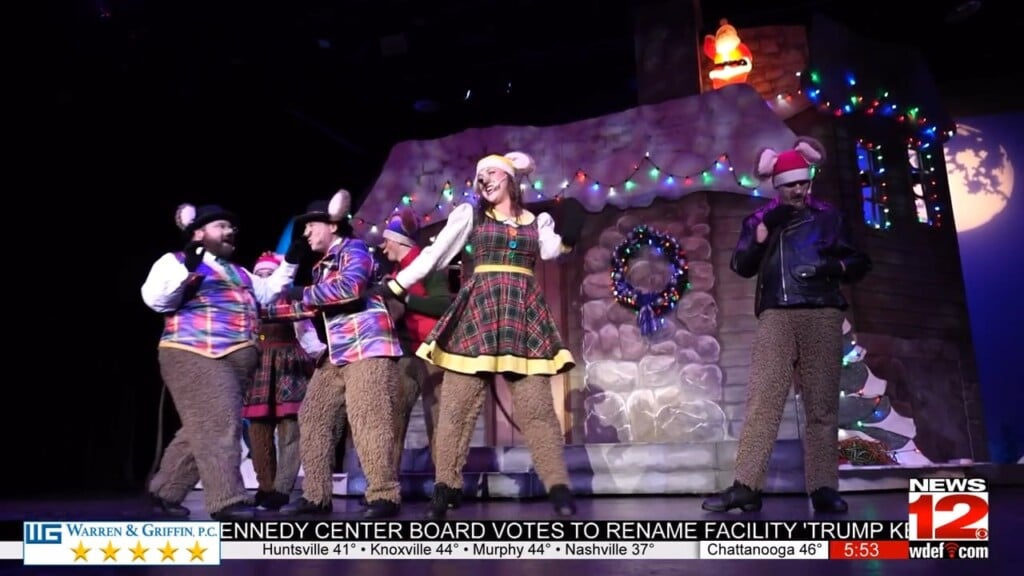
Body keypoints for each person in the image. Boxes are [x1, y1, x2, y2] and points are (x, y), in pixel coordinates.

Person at [379, 151, 586, 519]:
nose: (485, 179)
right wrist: (397, 286)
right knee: (457, 409)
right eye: (480, 174)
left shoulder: (534, 221)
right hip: (479, 311)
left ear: (510, 178)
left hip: (521, 314)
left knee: (537, 408)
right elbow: (436, 256)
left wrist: (570, 225)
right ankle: (446, 487)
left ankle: (558, 487)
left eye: (492, 172)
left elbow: (553, 250)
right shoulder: (470, 215)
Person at [702, 137, 872, 514]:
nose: (798, 189)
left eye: (803, 183)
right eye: (791, 184)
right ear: (776, 187)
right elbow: (741, 267)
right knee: (763, 400)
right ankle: (746, 486)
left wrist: (833, 268)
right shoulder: (759, 220)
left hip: (822, 311)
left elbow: (859, 262)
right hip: (777, 313)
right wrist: (763, 233)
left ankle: (824, 487)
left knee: (822, 405)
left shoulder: (828, 216)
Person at [141, 203, 304, 520]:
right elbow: (157, 300)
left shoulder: (238, 271)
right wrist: (189, 270)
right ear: (199, 233)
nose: (230, 232)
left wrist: (292, 261)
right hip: (194, 352)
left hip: (234, 359)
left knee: (202, 426)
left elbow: (268, 294)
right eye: (221, 226)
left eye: (232, 228)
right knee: (220, 424)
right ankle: (227, 499)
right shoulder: (173, 262)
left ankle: (165, 490)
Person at [270, 189, 405, 519]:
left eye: (309, 227)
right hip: (338, 352)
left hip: (368, 346)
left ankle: (384, 495)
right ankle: (316, 496)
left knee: (368, 418)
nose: (305, 233)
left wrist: (301, 293)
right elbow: (313, 306)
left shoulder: (354, 249)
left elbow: (350, 289)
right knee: (312, 415)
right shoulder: (321, 267)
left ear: (331, 224)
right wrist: (268, 311)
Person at [378, 208, 454, 478]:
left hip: (431, 351)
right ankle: (385, 486)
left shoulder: (427, 263)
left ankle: (445, 485)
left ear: (399, 241)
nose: (382, 246)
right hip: (406, 352)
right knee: (393, 418)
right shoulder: (396, 271)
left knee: (439, 418)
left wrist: (405, 298)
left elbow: (445, 303)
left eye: (386, 240)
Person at [242, 252, 321, 510]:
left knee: (291, 431)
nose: (265, 278)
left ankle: (282, 488)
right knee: (258, 432)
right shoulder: (248, 303)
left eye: (270, 273)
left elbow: (307, 334)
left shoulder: (291, 301)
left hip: (289, 366)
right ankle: (265, 486)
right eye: (261, 274)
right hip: (259, 369)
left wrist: (321, 354)